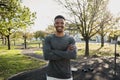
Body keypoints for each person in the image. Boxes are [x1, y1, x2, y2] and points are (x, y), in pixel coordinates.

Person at [43, 15, 77, 80]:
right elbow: (46, 56)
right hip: (51, 75)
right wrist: (66, 53)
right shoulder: (48, 38)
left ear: (65, 24)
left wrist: (53, 51)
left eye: (62, 23)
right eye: (57, 23)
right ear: (54, 24)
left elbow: (73, 55)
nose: (59, 25)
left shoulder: (70, 39)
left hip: (66, 75)